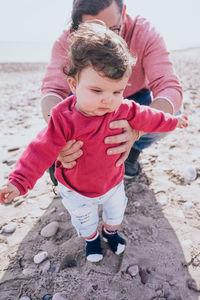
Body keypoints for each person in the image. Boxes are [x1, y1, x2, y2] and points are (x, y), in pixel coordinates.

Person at [0, 23, 187, 263]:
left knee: (116, 213)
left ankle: (111, 233)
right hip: (77, 190)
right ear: (74, 85)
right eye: (97, 90)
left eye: (117, 91)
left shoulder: (123, 109)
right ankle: (91, 241)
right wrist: (17, 182)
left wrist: (173, 121)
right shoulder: (63, 118)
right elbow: (39, 150)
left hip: (113, 183)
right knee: (85, 221)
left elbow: (150, 117)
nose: (108, 100)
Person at [41, 0, 183, 182]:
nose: (108, 41)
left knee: (171, 116)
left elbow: (168, 86)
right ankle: (73, 156)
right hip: (84, 99)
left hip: (134, 97)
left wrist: (137, 131)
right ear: (77, 27)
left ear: (123, 11)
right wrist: (58, 136)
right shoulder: (66, 39)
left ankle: (132, 152)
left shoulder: (144, 32)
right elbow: (52, 90)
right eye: (94, 32)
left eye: (114, 29)